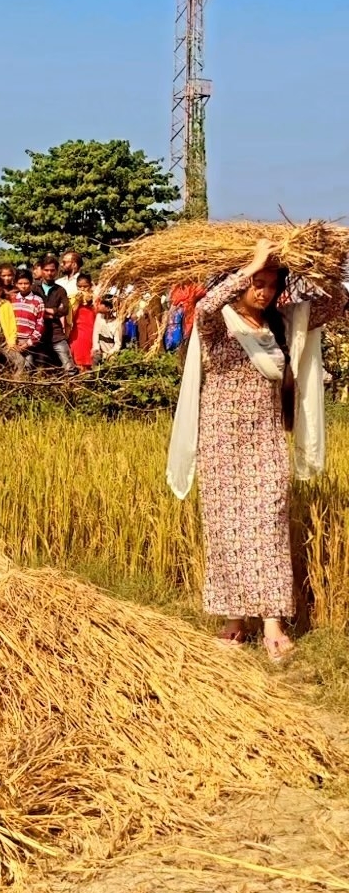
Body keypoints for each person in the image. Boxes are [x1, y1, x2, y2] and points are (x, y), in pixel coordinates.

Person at [167, 238, 346, 662]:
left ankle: (272, 624)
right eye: (256, 284)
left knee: (268, 522)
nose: (263, 291)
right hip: (222, 441)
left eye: (269, 283)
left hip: (264, 438)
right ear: (240, 282)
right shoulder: (220, 322)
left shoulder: (283, 326)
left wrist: (324, 267)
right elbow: (207, 304)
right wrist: (252, 264)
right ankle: (234, 621)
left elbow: (336, 306)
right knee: (227, 528)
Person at [30, 254, 76, 375]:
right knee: (39, 369)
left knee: (69, 366)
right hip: (38, 335)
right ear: (41, 270)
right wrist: (54, 311)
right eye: (46, 270)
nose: (49, 273)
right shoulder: (34, 289)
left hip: (56, 334)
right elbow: (31, 309)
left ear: (56, 271)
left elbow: (65, 310)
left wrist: (45, 311)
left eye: (52, 270)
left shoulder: (60, 290)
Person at [11, 269, 45, 361]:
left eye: (26, 283)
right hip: (14, 340)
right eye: (20, 283)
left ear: (31, 283)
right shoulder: (12, 299)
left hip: (29, 341)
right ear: (16, 284)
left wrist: (29, 343)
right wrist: (12, 341)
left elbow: (40, 324)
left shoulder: (38, 301)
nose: (23, 286)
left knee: (28, 365)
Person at [68, 273, 96, 370]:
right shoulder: (73, 299)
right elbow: (69, 316)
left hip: (91, 333)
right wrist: (77, 302)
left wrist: (90, 302)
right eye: (79, 286)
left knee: (89, 361)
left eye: (85, 286)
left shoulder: (96, 300)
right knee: (77, 361)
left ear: (90, 286)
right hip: (77, 334)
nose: (82, 289)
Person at [92, 295, 122, 364]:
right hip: (100, 351)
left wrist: (110, 354)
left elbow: (118, 344)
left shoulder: (116, 323)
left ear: (108, 308)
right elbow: (96, 334)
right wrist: (96, 348)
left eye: (102, 304)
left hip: (111, 353)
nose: (99, 306)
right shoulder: (99, 317)